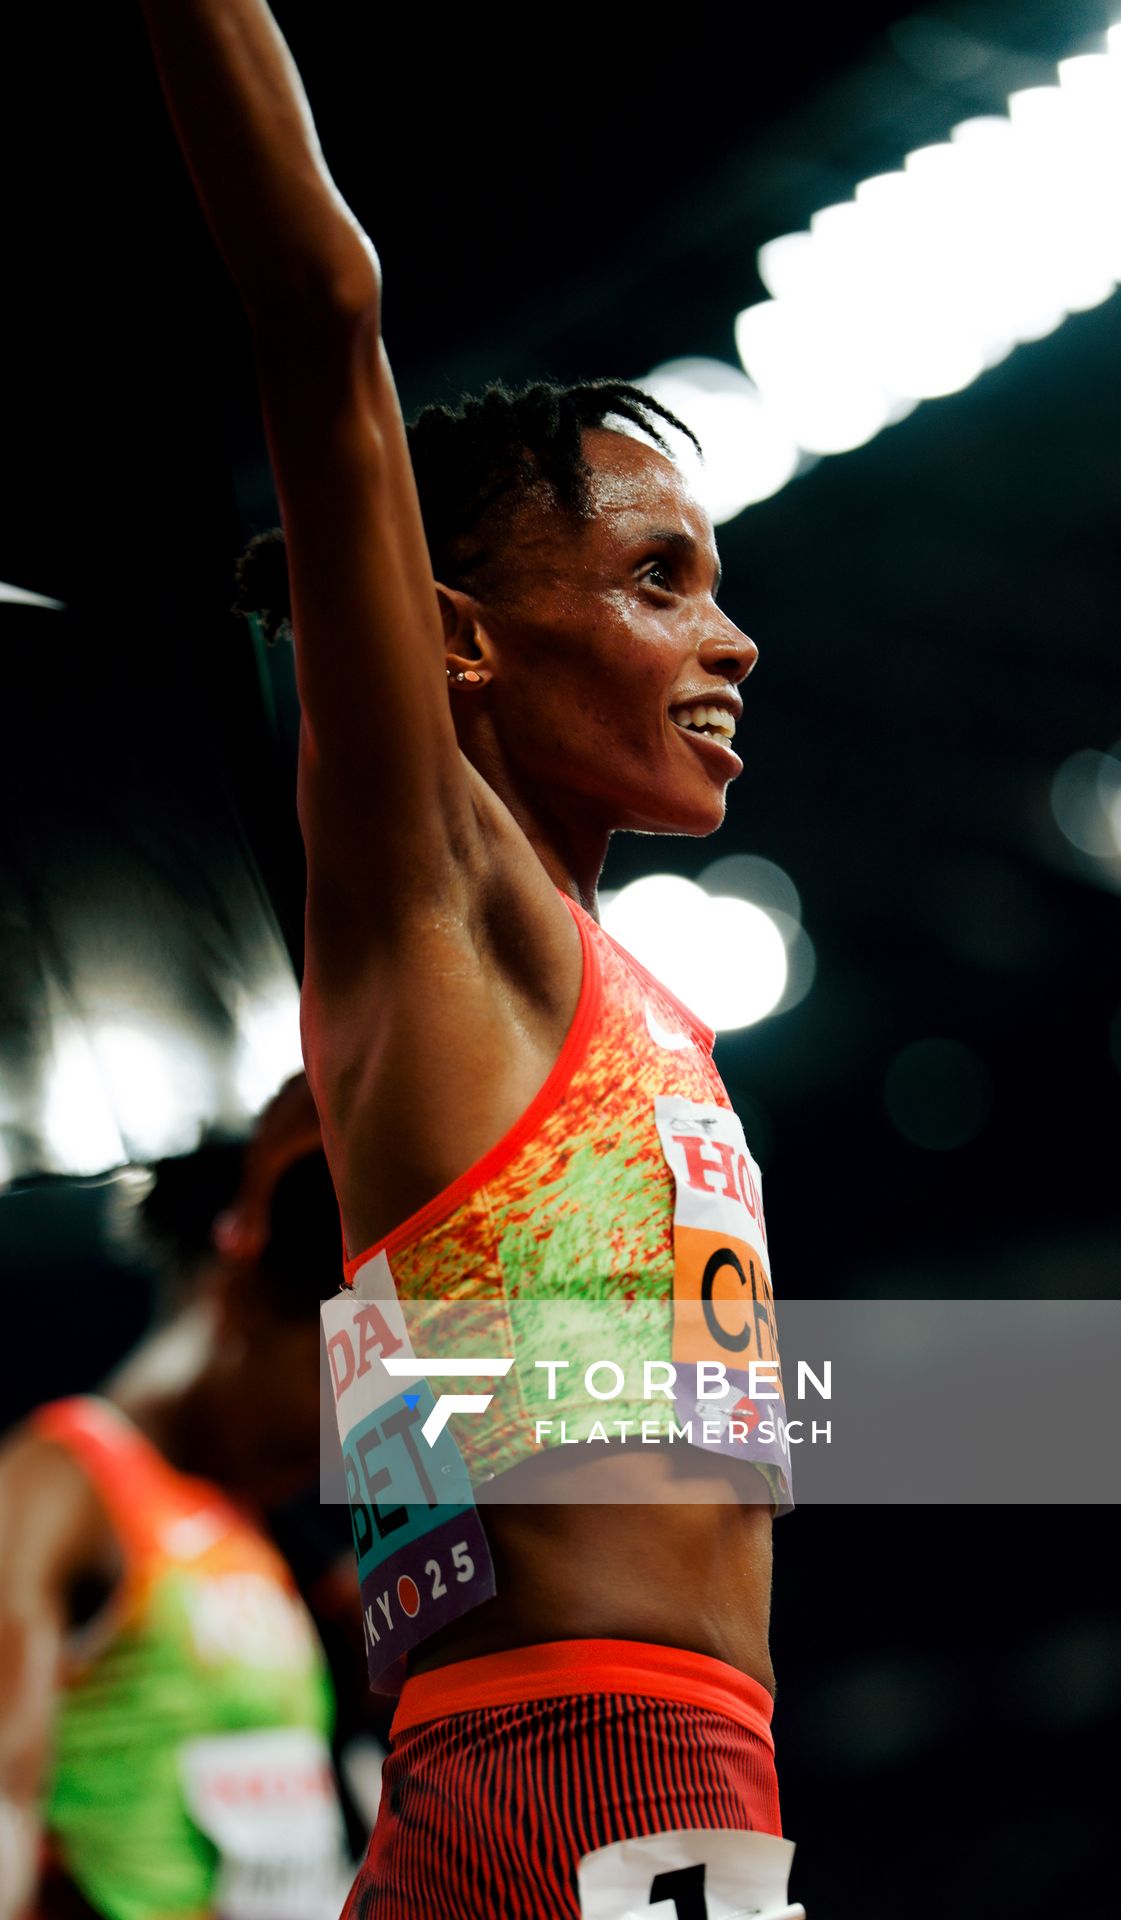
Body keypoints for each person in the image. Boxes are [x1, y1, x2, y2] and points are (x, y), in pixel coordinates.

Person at [137, 5, 802, 1916]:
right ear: (460, 643)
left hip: (684, 1794)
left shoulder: (619, 1000)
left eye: (720, 581)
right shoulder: (435, 890)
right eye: (659, 576)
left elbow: (474, 1447)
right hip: (558, 1785)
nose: (731, 637)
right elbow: (315, 310)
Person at [0, 1076, 355, 1920]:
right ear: (232, 1296)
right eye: (334, 1374)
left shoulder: (241, 1524)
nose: (343, 1430)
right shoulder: (63, 1476)